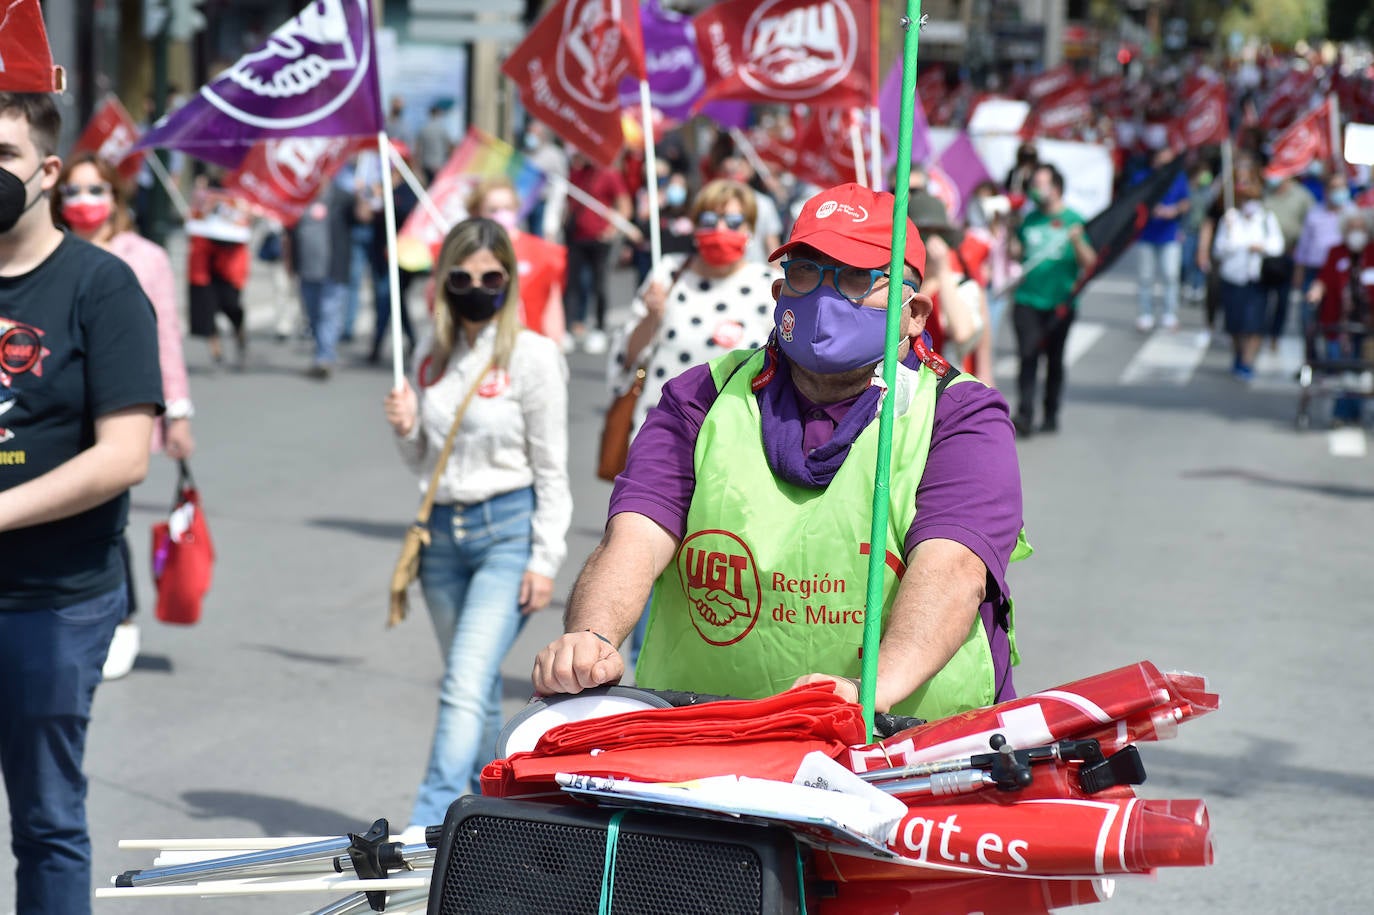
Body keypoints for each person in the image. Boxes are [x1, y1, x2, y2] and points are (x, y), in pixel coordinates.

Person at [532, 182, 1027, 723]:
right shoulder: (700, 395)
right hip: (705, 739)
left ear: (915, 314)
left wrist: (872, 689)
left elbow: (952, 568)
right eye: (806, 272)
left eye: (860, 278)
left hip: (901, 746)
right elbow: (634, 536)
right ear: (778, 291)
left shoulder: (961, 415)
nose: (826, 295)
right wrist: (590, 638)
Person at [0, 91, 163, 915]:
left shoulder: (102, 287)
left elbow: (124, 456)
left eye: (2, 157)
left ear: (48, 171)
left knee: (45, 817)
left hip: (52, 602)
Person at [383, 218, 570, 831]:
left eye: (490, 276)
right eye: (461, 276)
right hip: (440, 537)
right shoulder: (430, 358)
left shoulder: (534, 356)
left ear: (510, 280)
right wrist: (408, 426)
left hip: (506, 532)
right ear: (442, 282)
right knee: (477, 682)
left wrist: (546, 558)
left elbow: (552, 468)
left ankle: (427, 821)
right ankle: (491, 814)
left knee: (462, 682)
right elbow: (422, 463)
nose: (475, 286)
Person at [51, 153, 196, 680]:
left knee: (107, 519)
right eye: (73, 191)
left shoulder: (146, 257)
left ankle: (123, 619)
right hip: (60, 414)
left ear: (116, 196)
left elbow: (165, 339)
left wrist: (177, 413)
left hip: (122, 413)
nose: (84, 202)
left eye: (95, 190)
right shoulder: (45, 253)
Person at [1009, 164, 1097, 436]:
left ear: (1056, 188)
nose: (1035, 189)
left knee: (1054, 360)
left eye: (1040, 183)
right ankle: (1024, 414)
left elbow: (1090, 263)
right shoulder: (1029, 220)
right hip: (1027, 299)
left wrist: (1078, 241)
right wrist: (1010, 231)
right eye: (1033, 183)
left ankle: (1051, 412)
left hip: (1060, 303)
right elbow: (1016, 255)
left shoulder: (1074, 220)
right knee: (1027, 355)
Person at [468, 176, 567, 344]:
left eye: (508, 208)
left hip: (530, 347)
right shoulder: (466, 255)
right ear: (477, 212)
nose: (501, 215)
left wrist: (554, 351)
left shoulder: (543, 252)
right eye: (492, 210)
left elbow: (553, 311)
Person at [1305, 209, 1373, 426]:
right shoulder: (1336, 252)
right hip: (1338, 323)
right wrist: (1315, 291)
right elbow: (1323, 278)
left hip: (1368, 324)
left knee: (1361, 369)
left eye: (1360, 227)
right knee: (1342, 369)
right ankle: (1342, 413)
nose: (1356, 232)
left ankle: (1355, 411)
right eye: (1352, 227)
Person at [564, 151, 635, 354]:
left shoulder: (610, 174)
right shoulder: (576, 173)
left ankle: (599, 329)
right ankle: (569, 327)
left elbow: (624, 205)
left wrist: (612, 230)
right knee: (572, 285)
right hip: (576, 237)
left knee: (599, 285)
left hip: (599, 240)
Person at [1213, 178, 1284, 380]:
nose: (1250, 203)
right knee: (1235, 324)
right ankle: (1238, 354)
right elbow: (1219, 250)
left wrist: (1260, 246)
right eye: (1246, 199)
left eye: (1254, 199)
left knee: (1254, 323)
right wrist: (1230, 235)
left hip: (1257, 279)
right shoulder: (1230, 219)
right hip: (1234, 278)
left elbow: (1277, 245)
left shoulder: (1266, 219)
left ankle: (1247, 361)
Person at [286, 176, 353, 379]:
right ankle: (321, 351)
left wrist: (364, 197)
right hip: (307, 270)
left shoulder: (342, 198)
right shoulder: (298, 199)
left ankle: (324, 358)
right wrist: (290, 264)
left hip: (332, 270)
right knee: (314, 316)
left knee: (329, 313)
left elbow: (362, 215)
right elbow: (289, 233)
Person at [361, 146, 420, 365]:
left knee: (389, 298)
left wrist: (387, 198)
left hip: (402, 257)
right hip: (379, 254)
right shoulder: (379, 188)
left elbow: (408, 215)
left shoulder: (408, 189)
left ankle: (377, 344)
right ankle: (410, 340)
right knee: (391, 300)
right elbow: (365, 216)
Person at [186, 177, 251, 368]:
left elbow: (242, 227)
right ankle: (216, 349)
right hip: (204, 264)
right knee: (207, 308)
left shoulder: (237, 197)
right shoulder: (202, 197)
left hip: (227, 265)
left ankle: (239, 335)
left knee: (232, 306)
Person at [1293, 171, 1356, 345]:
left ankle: (1335, 360)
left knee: (1337, 316)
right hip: (1315, 270)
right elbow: (1304, 245)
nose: (1338, 192)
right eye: (1334, 188)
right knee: (1308, 315)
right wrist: (1299, 271)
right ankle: (1312, 358)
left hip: (1341, 273)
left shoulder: (1354, 213)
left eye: (1341, 187)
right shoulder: (1314, 213)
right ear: (1326, 191)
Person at [1134, 147, 1189, 333]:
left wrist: (1174, 210)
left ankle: (1169, 314)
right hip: (1146, 235)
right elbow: (1133, 201)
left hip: (1170, 234)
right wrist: (1150, 209)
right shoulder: (1142, 177)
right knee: (1145, 277)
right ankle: (1145, 314)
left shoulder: (1178, 177)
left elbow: (1186, 202)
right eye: (1162, 161)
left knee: (1170, 275)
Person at [1261, 171, 1314, 350]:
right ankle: (1259, 332)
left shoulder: (1302, 196)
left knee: (1282, 300)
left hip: (1289, 254)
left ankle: (1275, 335)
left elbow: (1310, 226)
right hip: (1265, 255)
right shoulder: (1266, 193)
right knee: (1262, 298)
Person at [415, 102, 453, 186]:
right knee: (438, 187)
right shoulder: (442, 129)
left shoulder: (423, 129)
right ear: (438, 114)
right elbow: (449, 146)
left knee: (429, 187)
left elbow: (418, 149)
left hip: (426, 164)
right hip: (439, 163)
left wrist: (418, 166)